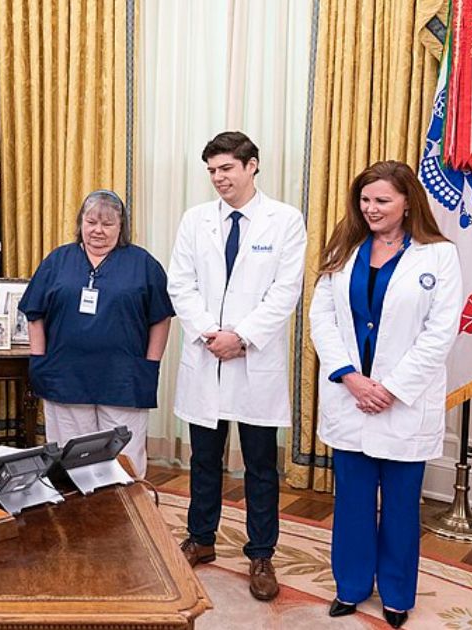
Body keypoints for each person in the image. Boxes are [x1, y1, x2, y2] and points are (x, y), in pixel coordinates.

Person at [309, 160, 462, 628]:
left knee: (399, 506)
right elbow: (322, 318)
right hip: (350, 396)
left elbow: (441, 332)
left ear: (407, 202)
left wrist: (392, 389)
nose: (370, 208)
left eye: (382, 200)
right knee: (352, 502)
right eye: (365, 199)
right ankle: (351, 586)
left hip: (403, 403)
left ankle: (396, 594)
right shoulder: (345, 248)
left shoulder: (438, 255)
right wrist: (349, 377)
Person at [167, 131, 305, 602]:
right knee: (203, 458)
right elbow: (180, 284)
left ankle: (261, 553)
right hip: (207, 355)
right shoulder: (195, 220)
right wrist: (210, 332)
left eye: (226, 168)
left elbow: (285, 291)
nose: (218, 179)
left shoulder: (285, 221)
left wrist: (241, 337)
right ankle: (201, 539)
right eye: (211, 171)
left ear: (252, 166)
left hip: (253, 360)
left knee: (261, 466)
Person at [18, 189, 173, 479]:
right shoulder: (57, 261)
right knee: (69, 459)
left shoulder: (143, 264)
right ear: (80, 223)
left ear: (121, 227)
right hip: (65, 377)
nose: (98, 231)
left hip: (124, 379)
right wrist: (38, 361)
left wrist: (150, 365)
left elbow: (161, 319)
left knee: (124, 462)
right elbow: (34, 313)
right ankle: (76, 520)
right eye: (91, 222)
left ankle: (127, 519)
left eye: (107, 224)